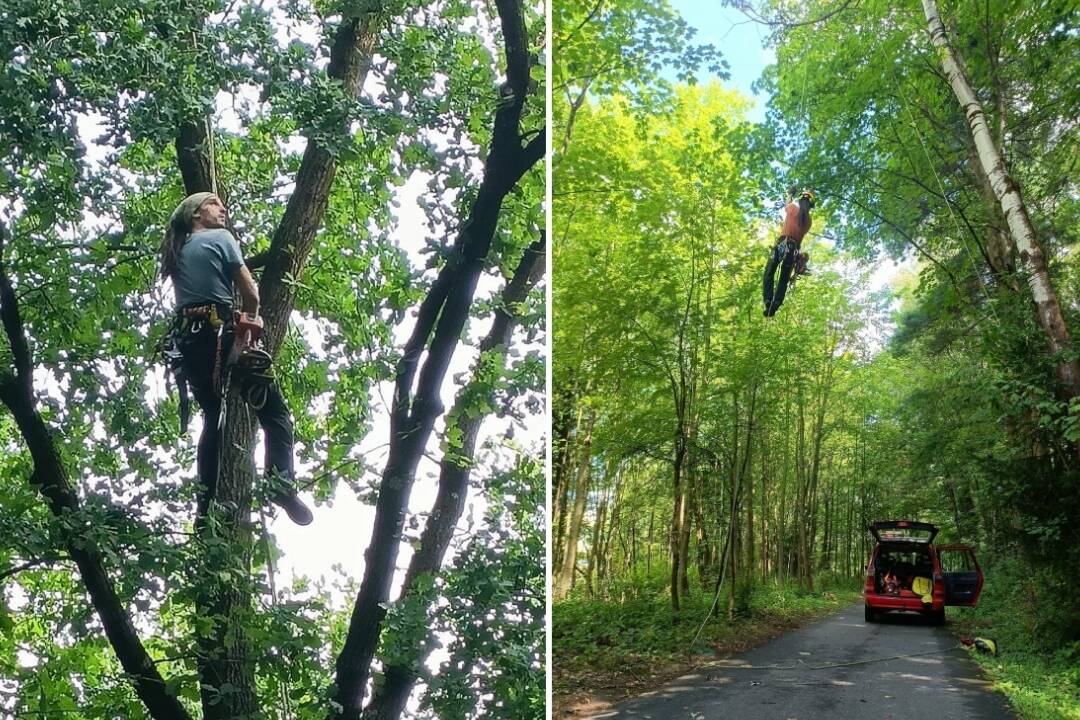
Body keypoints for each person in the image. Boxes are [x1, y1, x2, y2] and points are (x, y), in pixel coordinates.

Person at [159, 192, 313, 525]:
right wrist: (249, 324)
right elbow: (251, 293)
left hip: (188, 342)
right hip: (223, 335)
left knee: (213, 417)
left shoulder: (177, 250)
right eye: (214, 204)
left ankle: (204, 507)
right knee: (275, 414)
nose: (223, 208)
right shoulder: (220, 238)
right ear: (197, 215)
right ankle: (281, 485)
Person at [763, 188, 815, 317]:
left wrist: (791, 193)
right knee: (784, 278)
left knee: (769, 271)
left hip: (782, 244)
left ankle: (768, 299)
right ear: (810, 206)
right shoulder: (808, 221)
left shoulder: (792, 209)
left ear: (800, 201)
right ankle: (776, 303)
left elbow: (787, 203)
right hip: (794, 250)